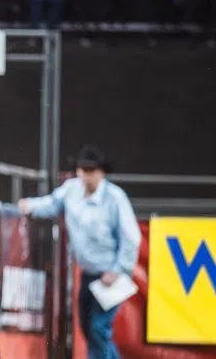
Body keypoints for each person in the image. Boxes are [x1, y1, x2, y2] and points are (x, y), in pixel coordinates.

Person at [18, 145, 140, 359]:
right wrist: (30, 206)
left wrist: (118, 269)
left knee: (98, 328)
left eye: (90, 170)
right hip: (88, 274)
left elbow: (131, 237)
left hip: (111, 276)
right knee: (88, 328)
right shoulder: (71, 190)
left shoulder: (115, 198)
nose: (85, 175)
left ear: (101, 171)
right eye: (82, 169)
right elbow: (52, 204)